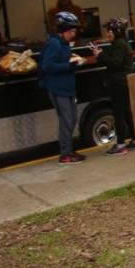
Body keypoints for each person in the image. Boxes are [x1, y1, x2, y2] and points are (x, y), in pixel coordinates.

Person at [40, 12, 86, 165]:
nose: (74, 34)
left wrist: (73, 60)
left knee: (72, 119)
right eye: (72, 31)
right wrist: (70, 65)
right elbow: (47, 65)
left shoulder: (63, 44)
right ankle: (65, 154)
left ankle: (69, 150)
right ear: (64, 30)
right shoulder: (54, 43)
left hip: (67, 88)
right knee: (66, 121)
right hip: (58, 89)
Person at [91, 18, 135, 155]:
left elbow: (115, 63)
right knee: (127, 111)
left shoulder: (119, 45)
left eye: (109, 31)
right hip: (123, 82)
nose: (107, 34)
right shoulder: (120, 43)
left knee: (119, 113)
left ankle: (121, 144)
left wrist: (100, 55)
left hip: (118, 83)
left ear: (117, 31)